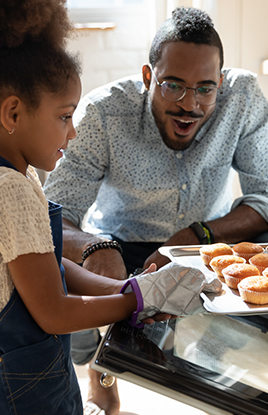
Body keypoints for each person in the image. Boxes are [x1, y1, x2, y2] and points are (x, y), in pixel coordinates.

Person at [43, 5, 268, 415]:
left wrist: (197, 236)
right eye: (174, 86)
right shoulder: (102, 113)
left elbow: (265, 199)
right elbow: (54, 212)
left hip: (204, 239)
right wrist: (96, 248)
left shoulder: (244, 98)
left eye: (205, 88)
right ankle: (100, 374)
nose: (190, 104)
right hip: (116, 242)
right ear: (149, 78)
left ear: (221, 81)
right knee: (82, 333)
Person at [0, 1, 213, 414]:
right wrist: (139, 300)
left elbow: (49, 266)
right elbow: (53, 312)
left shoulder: (21, 175)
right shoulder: (10, 190)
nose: (74, 130)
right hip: (23, 385)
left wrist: (124, 289)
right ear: (13, 112)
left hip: (39, 368)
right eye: (64, 116)